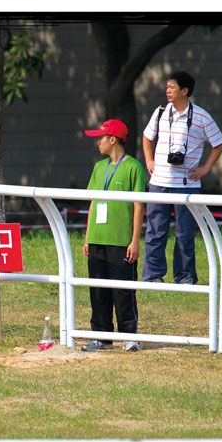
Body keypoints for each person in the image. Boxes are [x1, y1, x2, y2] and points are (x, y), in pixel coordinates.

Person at [141, 70, 222, 284]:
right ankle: (152, 276)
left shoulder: (201, 116)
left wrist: (205, 168)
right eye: (167, 87)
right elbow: (146, 137)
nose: (168, 91)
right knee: (155, 232)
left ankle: (185, 276)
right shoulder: (160, 111)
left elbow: (219, 143)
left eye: (172, 87)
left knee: (185, 234)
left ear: (185, 91)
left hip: (187, 184)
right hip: (159, 182)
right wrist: (149, 161)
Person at [80, 119, 146, 353]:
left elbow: (139, 205)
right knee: (97, 289)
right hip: (98, 238)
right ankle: (101, 336)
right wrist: (88, 237)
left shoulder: (134, 167)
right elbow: (93, 203)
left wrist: (135, 240)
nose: (97, 142)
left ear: (113, 139)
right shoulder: (99, 168)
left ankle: (129, 335)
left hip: (121, 240)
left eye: (100, 137)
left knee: (123, 290)